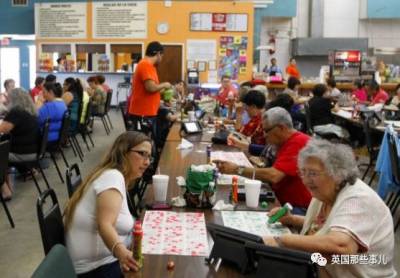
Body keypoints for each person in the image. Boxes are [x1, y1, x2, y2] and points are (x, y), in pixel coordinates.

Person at [263, 139, 396, 278]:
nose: (306, 180)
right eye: (303, 172)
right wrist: (292, 219)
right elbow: (330, 225)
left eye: (313, 173)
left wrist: (282, 241)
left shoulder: (358, 200)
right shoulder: (326, 192)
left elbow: (341, 245)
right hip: (324, 268)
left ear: (337, 173)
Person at [64, 131, 152, 277]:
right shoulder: (112, 177)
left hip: (103, 262)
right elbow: (105, 225)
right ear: (123, 153)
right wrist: (122, 252)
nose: (147, 162)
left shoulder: (112, 174)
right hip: (95, 270)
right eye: (142, 153)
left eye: (149, 156)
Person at [215, 107, 312, 214]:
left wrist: (237, 169)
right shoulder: (284, 142)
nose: (264, 135)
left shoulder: (298, 142)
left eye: (266, 131)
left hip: (295, 207)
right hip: (279, 199)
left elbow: (273, 176)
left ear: (281, 128)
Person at [0, 88, 39, 200]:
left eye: (7, 98)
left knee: (1, 154)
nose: (5, 100)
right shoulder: (30, 111)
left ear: (14, 100)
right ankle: (29, 170)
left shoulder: (16, 112)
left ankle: (5, 190)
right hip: (33, 151)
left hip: (21, 154)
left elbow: (3, 129)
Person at [128, 41, 171, 139]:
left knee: (148, 141)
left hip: (148, 111)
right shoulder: (145, 65)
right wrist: (165, 84)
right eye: (162, 55)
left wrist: (164, 93)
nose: (161, 59)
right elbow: (150, 88)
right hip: (143, 112)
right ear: (158, 53)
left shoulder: (150, 66)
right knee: (143, 142)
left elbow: (153, 89)